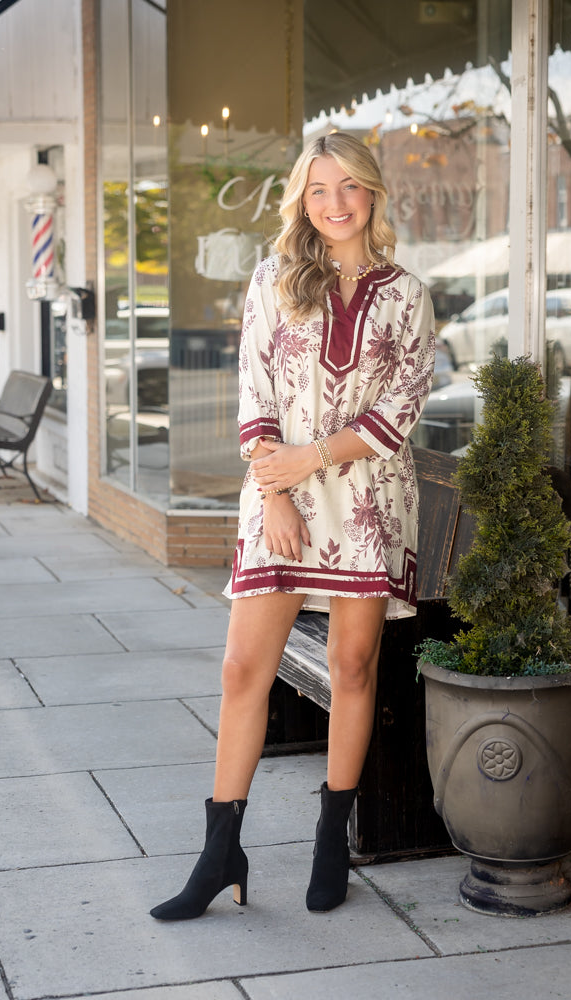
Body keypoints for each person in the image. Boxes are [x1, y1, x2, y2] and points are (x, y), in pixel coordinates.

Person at [150, 131, 435, 921]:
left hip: (367, 501)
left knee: (351, 668)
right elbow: (254, 388)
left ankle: (331, 835)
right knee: (244, 670)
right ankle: (219, 852)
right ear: (301, 200)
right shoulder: (272, 278)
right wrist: (273, 487)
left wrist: (307, 460)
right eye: (319, 190)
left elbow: (399, 411)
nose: (335, 203)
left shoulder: (407, 293)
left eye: (349, 187)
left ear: (372, 193)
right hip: (278, 497)